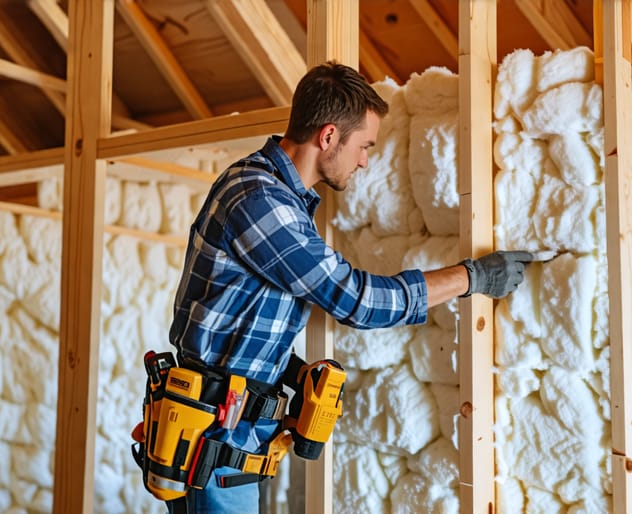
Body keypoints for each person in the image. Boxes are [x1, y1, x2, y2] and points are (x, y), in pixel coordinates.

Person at [164, 61, 531, 513]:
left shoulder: (282, 200)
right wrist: (471, 277)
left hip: (230, 433)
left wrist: (292, 373)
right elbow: (354, 300)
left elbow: (237, 319)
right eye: (363, 145)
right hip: (216, 437)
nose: (364, 160)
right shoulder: (260, 201)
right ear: (329, 136)